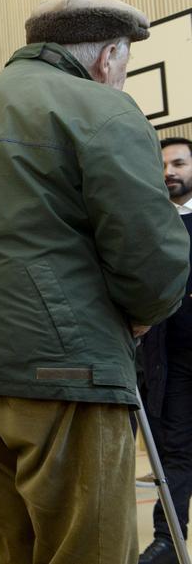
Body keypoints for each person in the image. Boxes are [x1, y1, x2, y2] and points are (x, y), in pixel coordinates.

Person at [0, 0, 189, 564]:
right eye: (125, 65)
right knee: (88, 551)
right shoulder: (102, 109)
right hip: (63, 369)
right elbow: (151, 256)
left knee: (19, 547)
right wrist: (143, 316)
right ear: (107, 56)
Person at [139, 137, 192, 564]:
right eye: (163, 165)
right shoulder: (152, 225)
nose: (169, 172)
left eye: (178, 163)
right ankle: (168, 539)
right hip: (171, 361)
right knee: (174, 450)